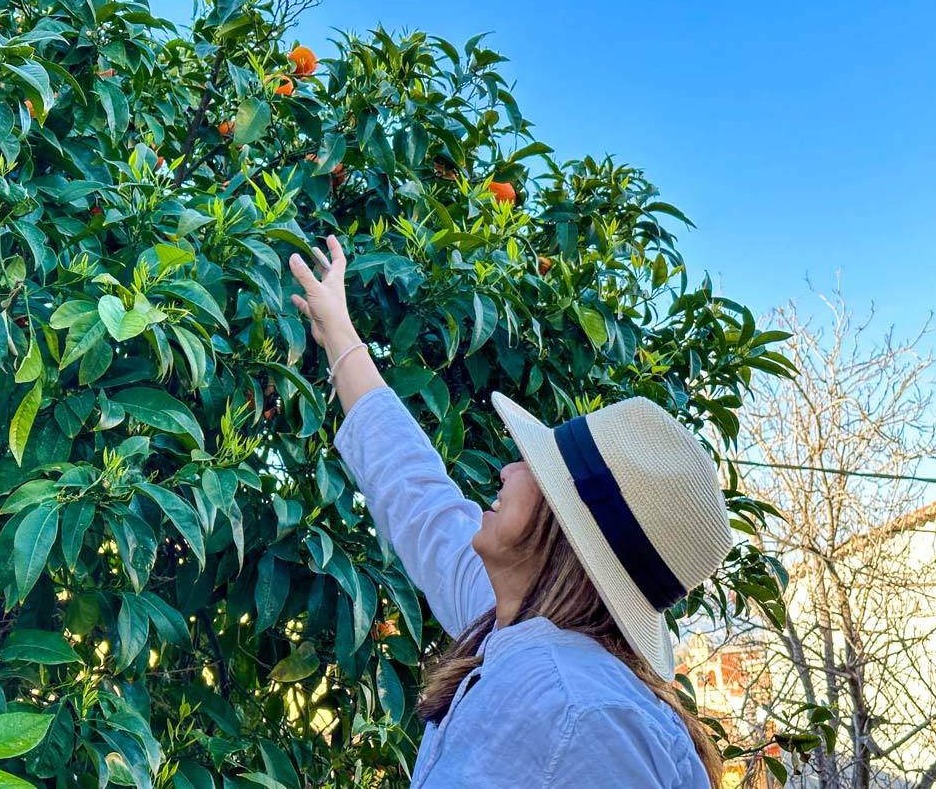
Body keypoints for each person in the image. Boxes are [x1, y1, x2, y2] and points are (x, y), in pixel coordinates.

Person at [287, 235, 733, 787]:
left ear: (566, 530)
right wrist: (340, 335)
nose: (508, 471)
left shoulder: (572, 710)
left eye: (535, 467)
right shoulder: (521, 628)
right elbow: (417, 494)